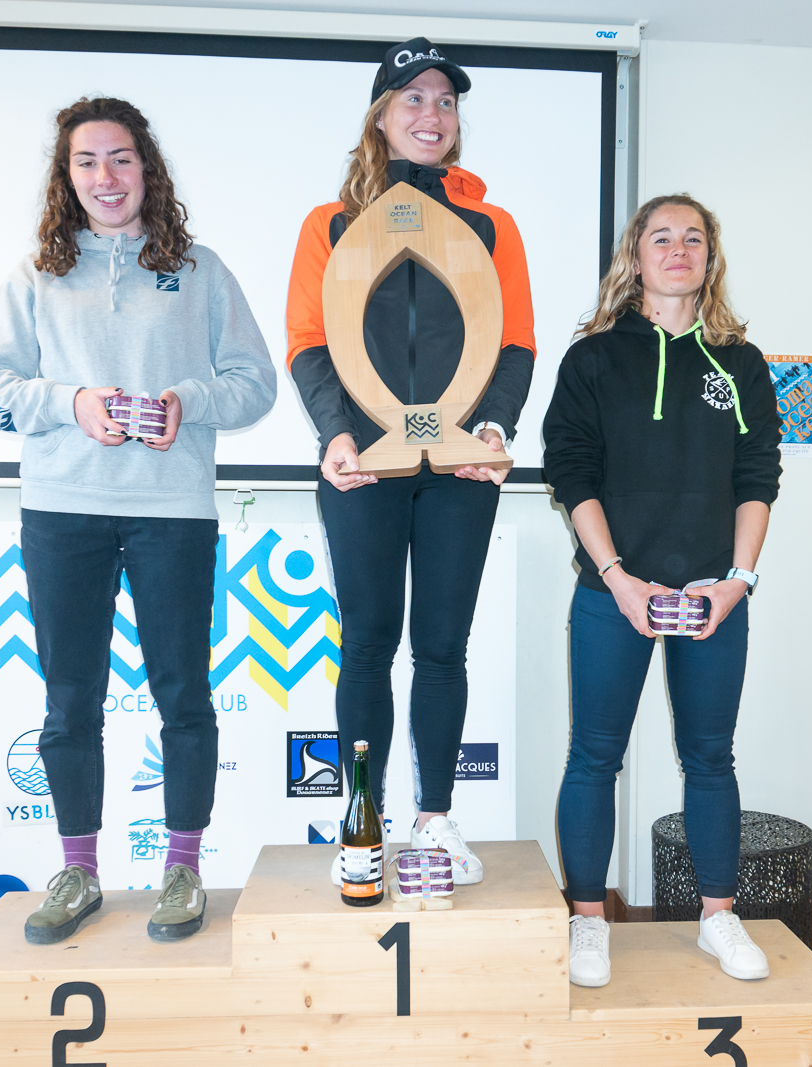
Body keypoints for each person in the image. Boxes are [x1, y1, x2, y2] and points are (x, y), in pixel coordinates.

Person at [0, 96, 277, 944]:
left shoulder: (201, 271)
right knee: (70, 702)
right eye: (87, 161)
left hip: (172, 511)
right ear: (66, 176)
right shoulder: (35, 275)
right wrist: (71, 402)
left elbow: (255, 382)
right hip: (62, 509)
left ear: (148, 168)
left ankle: (183, 867)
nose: (106, 176)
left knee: (184, 695)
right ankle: (79, 871)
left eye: (121, 158)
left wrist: (187, 401)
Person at [284, 38, 536, 886]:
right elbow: (310, 341)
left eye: (446, 100)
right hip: (365, 463)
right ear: (382, 117)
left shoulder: (492, 225)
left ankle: (434, 819)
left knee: (441, 647)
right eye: (414, 98)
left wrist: (492, 428)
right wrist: (336, 434)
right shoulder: (330, 224)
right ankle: (361, 821)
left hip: (460, 470)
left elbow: (515, 341)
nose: (432, 114)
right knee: (366, 644)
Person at [542, 194, 782, 987]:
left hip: (713, 598)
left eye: (694, 239)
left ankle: (718, 918)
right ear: (636, 256)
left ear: (710, 257)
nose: (679, 250)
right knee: (594, 756)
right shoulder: (592, 359)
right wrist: (618, 578)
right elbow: (571, 473)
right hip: (614, 594)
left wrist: (738, 582)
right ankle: (588, 921)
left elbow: (758, 478)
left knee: (711, 758)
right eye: (662, 237)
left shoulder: (741, 364)